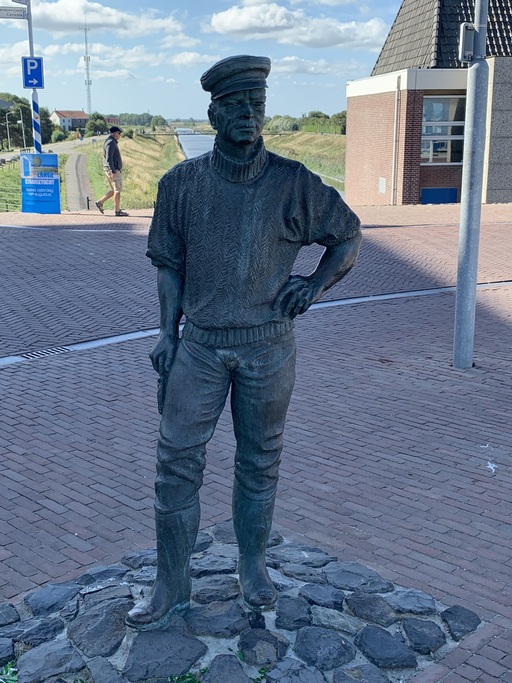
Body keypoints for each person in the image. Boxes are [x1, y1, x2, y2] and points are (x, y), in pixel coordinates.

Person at [126, 55, 362, 630]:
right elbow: (168, 264)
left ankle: (252, 565)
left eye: (256, 104)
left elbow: (348, 234)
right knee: (175, 463)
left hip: (268, 346)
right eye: (234, 105)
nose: (247, 114)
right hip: (200, 345)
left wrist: (314, 284)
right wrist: (166, 333)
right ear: (213, 115)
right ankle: (171, 583)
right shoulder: (180, 185)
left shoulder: (292, 182)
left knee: (260, 460)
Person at [95, 125, 128, 217]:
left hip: (111, 169)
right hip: (113, 170)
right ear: (114, 133)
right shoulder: (111, 142)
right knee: (117, 190)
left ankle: (100, 202)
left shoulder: (110, 141)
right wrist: (113, 171)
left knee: (114, 190)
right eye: (119, 133)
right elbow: (109, 159)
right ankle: (118, 211)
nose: (120, 135)